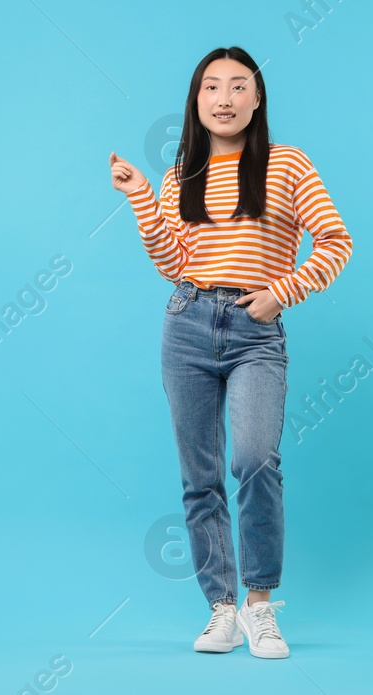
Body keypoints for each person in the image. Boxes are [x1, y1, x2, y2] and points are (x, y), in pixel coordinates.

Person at [109, 46, 353, 659]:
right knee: (200, 475)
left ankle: (260, 606)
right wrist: (142, 193)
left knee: (254, 458)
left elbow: (335, 240)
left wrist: (281, 293)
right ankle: (220, 609)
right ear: (196, 101)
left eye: (238, 86)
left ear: (257, 98)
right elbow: (171, 263)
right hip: (186, 322)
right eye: (211, 87)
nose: (225, 98)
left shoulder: (286, 164)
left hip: (255, 329)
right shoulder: (179, 174)